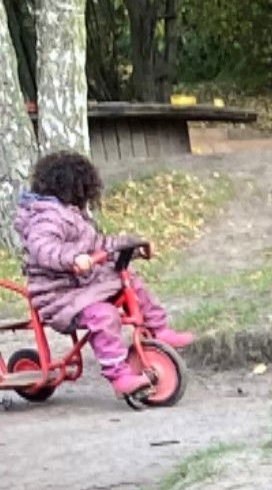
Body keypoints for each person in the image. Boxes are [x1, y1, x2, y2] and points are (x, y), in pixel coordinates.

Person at [13, 149, 187, 392]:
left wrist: (130, 246)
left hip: (82, 286)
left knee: (130, 282)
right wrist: (73, 258)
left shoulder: (75, 215)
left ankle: (158, 329)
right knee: (103, 315)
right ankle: (118, 375)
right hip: (58, 296)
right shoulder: (46, 218)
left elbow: (99, 244)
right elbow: (44, 249)